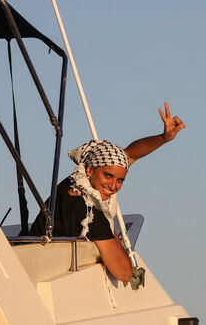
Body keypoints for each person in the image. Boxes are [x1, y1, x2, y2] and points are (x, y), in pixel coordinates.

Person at [27, 102, 186, 282]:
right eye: (108, 176)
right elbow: (124, 273)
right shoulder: (88, 212)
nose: (113, 186)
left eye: (120, 180)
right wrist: (114, 239)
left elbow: (130, 155)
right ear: (90, 171)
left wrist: (163, 138)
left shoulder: (72, 183)